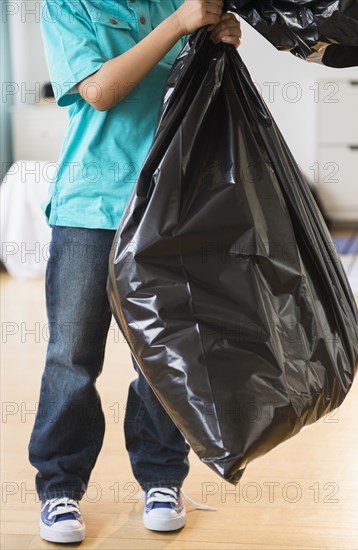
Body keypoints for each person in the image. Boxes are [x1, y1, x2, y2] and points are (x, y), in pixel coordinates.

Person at [28, 0, 241, 544]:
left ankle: (163, 479)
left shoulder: (176, 3)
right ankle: (59, 490)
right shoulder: (68, 7)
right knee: (72, 356)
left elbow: (200, 101)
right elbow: (99, 92)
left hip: (168, 211)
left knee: (161, 357)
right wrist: (179, 25)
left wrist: (221, 44)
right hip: (90, 210)